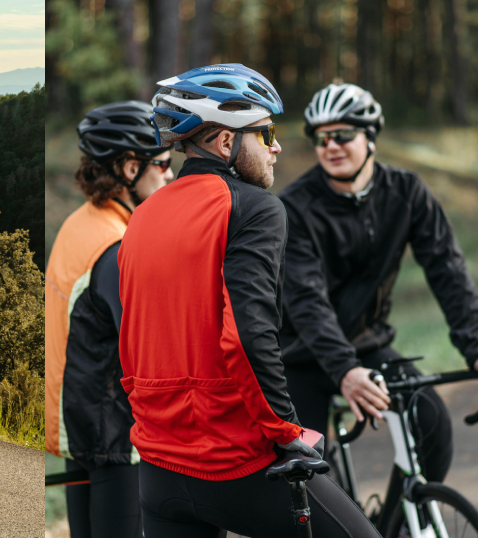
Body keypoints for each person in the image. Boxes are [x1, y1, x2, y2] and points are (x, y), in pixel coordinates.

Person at [118, 63, 381, 537]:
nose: (277, 146)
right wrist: (287, 431)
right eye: (265, 132)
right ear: (225, 142)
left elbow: (134, 336)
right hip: (234, 462)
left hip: (159, 470)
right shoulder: (254, 208)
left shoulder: (141, 217)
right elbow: (247, 335)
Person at [277, 82, 478, 524]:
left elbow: (447, 270)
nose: (330, 146)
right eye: (320, 137)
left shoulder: (406, 193)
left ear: (370, 137)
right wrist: (344, 369)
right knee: (306, 469)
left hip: (369, 346)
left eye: (343, 134)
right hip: (302, 355)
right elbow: (306, 301)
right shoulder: (294, 207)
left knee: (430, 419)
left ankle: (392, 526)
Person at [44, 100, 173, 538]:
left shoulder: (82, 223)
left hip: (79, 424)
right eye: (164, 164)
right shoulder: (118, 246)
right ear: (129, 167)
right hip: (115, 434)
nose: (170, 175)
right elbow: (151, 350)